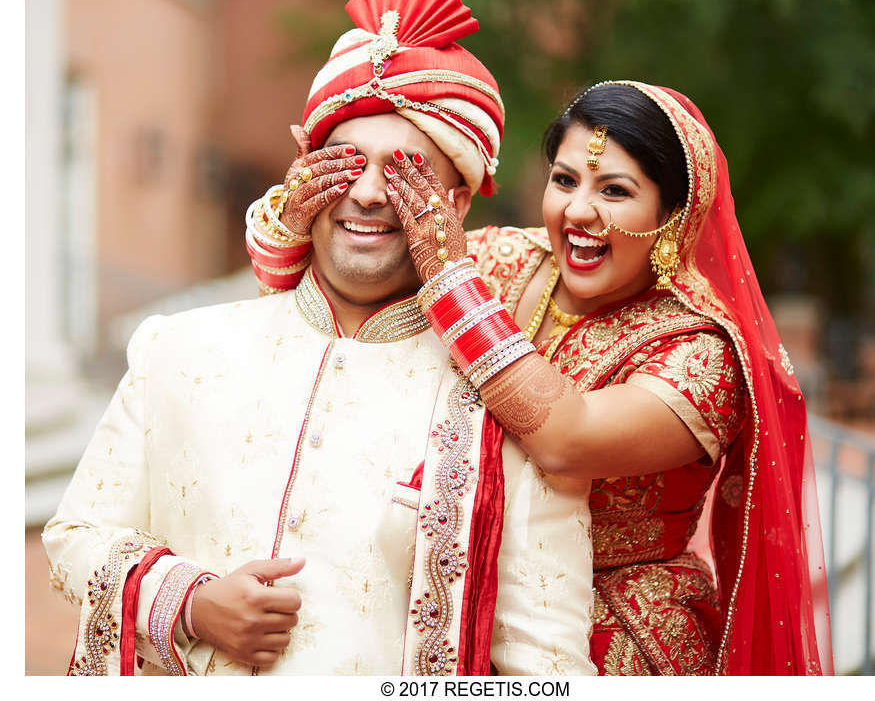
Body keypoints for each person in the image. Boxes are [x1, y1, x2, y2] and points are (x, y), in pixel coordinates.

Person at [42, 0, 597, 677]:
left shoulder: (501, 408)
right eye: (344, 164)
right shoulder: (177, 349)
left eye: (403, 174)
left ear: (454, 203)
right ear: (303, 171)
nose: (366, 193)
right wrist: (191, 603)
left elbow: (548, 669)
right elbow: (75, 539)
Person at [260, 79, 833, 675]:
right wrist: (296, 225)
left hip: (609, 633)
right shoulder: (501, 258)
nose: (578, 211)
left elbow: (567, 440)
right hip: (452, 601)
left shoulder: (699, 351)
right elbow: (348, 322)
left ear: (671, 215)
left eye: (614, 190)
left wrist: (452, 284)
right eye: (564, 180)